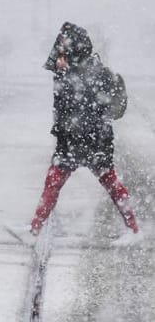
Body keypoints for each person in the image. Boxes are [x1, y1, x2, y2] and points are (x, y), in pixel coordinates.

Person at [30, 22, 139, 241]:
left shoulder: (73, 74)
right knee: (112, 185)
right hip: (95, 141)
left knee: (52, 185)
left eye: (62, 46)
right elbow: (109, 108)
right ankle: (133, 229)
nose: (58, 51)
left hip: (76, 142)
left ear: (72, 48)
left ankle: (34, 230)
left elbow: (70, 108)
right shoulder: (93, 69)